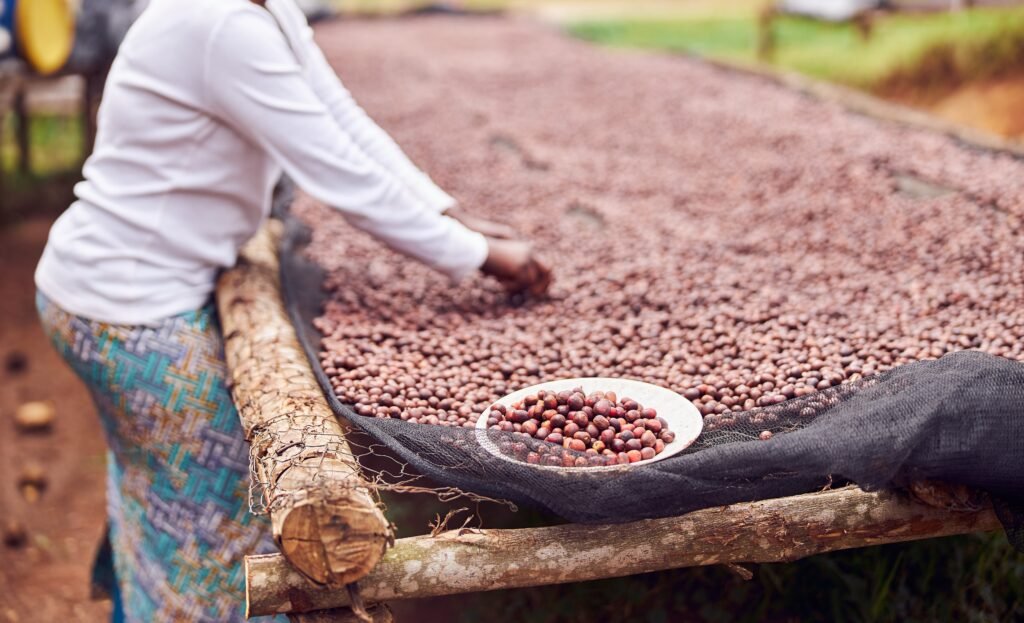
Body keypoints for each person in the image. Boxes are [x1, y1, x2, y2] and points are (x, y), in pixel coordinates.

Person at [34, 0, 551, 621]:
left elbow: (344, 122)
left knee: (165, 496)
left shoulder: (266, 9)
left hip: (115, 286)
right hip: (130, 312)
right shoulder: (219, 22)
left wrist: (454, 217)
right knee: (213, 526)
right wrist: (482, 257)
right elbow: (340, 175)